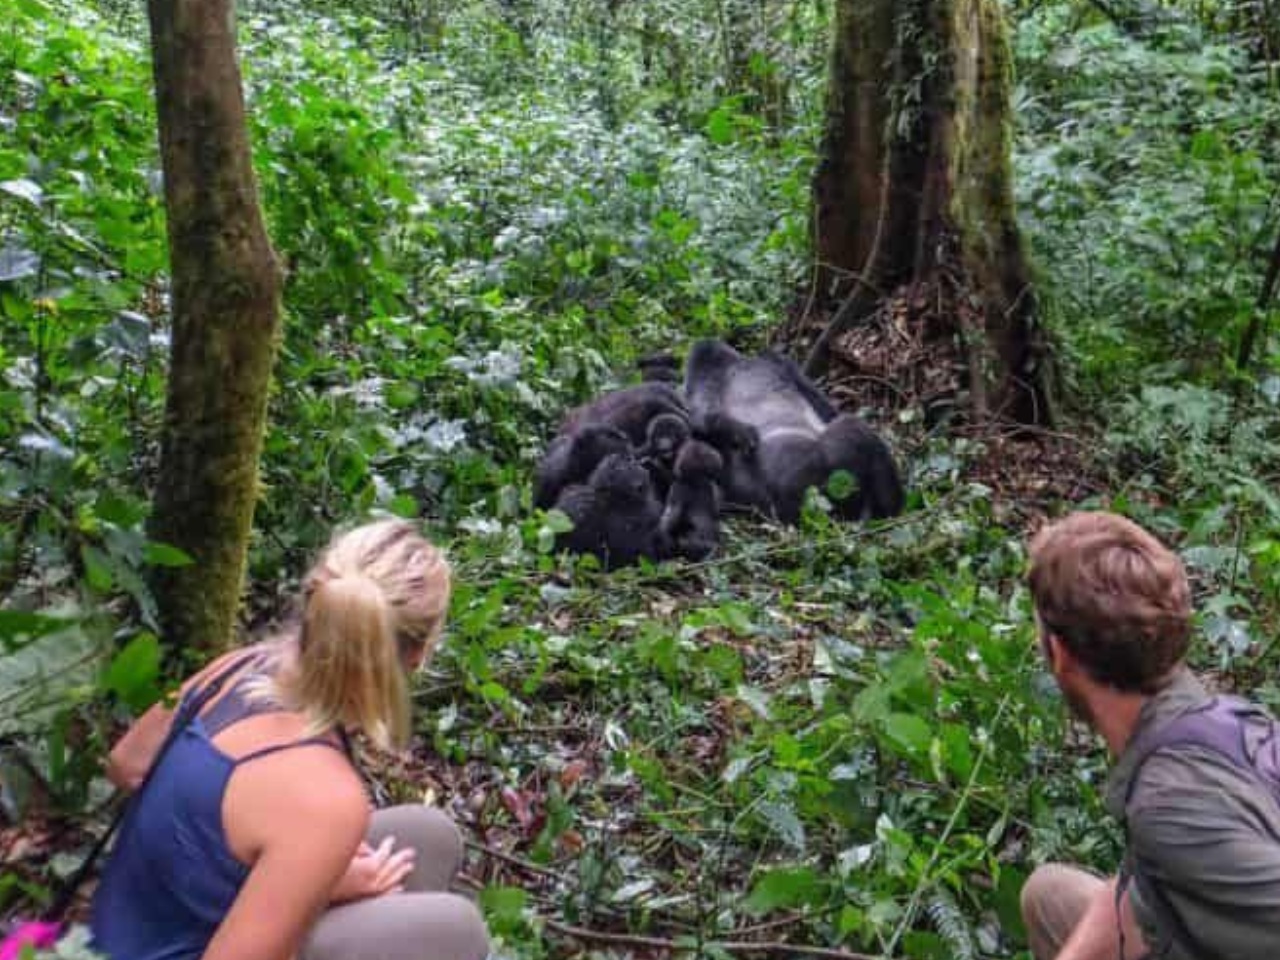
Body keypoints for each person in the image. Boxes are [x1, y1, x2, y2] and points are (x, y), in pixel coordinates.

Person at [90, 519, 490, 960]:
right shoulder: (328, 797)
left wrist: (293, 869)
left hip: (120, 928)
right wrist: (316, 887)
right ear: (416, 658)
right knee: (459, 930)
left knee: (430, 835)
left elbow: (126, 764)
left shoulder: (240, 665)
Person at [1019, 511, 1280, 960]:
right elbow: (1140, 878)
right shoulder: (1222, 719)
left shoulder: (1170, 801)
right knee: (1050, 896)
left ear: (1060, 654)